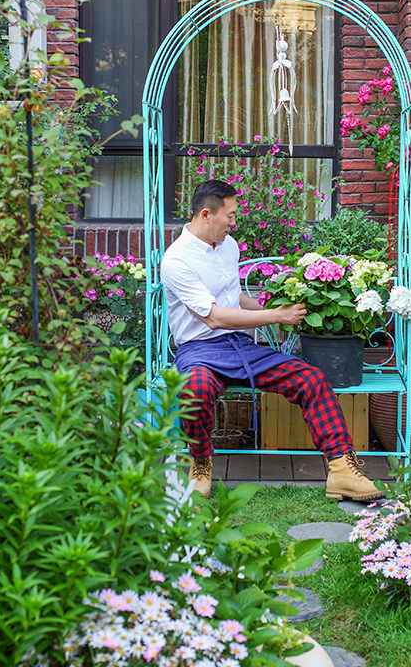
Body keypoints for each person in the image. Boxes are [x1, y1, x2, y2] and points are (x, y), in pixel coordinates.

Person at [160, 179, 385, 501]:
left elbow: (233, 298)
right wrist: (276, 317)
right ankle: (200, 464)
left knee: (311, 379)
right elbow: (213, 316)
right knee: (195, 390)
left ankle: (342, 471)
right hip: (199, 350)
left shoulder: (228, 246)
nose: (234, 223)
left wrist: (275, 305)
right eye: (231, 216)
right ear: (206, 214)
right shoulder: (177, 260)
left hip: (240, 346)